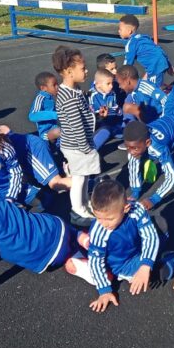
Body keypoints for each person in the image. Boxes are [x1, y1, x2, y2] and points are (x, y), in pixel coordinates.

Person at [64, 178, 159, 313]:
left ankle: (84, 242)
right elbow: (96, 261)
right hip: (120, 264)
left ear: (125, 208)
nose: (103, 223)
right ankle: (85, 252)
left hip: (136, 250)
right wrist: (104, 291)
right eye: (98, 217)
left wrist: (146, 265)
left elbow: (150, 236)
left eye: (109, 219)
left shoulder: (136, 209)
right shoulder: (99, 231)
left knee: (158, 241)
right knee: (151, 275)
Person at [0, 187, 88, 294]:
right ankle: (84, 239)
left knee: (71, 262)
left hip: (48, 252)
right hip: (56, 225)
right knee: (78, 241)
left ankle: (85, 267)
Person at [52, 45, 100, 226]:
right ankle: (77, 210)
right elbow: (76, 125)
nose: (87, 71)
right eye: (83, 68)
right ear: (69, 72)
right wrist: (86, 147)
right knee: (79, 179)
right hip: (76, 146)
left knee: (84, 176)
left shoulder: (74, 90)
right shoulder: (69, 98)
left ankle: (84, 204)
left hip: (78, 144)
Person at [0, 125, 71, 210]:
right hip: (34, 150)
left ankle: (81, 182)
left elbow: (4, 129)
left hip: (31, 149)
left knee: (55, 184)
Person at [120, 14, 174, 87]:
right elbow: (158, 49)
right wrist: (169, 64)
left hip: (155, 65)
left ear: (129, 31)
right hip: (160, 62)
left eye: (120, 29)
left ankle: (159, 93)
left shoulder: (131, 44)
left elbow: (128, 63)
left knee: (153, 88)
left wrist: (121, 75)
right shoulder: (143, 37)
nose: (119, 31)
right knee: (144, 82)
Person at [89, 68, 124, 151]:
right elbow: (91, 113)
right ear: (98, 85)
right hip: (98, 123)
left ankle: (113, 130)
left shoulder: (112, 94)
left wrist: (117, 111)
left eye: (111, 83)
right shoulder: (91, 95)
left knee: (126, 125)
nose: (111, 86)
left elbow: (116, 109)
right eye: (108, 84)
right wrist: (100, 113)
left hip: (111, 120)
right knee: (105, 131)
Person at [28, 71, 60, 146]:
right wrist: (54, 114)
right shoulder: (40, 98)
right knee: (60, 132)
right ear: (43, 88)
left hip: (55, 128)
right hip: (45, 133)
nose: (57, 87)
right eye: (54, 85)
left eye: (57, 84)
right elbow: (32, 116)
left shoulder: (51, 96)